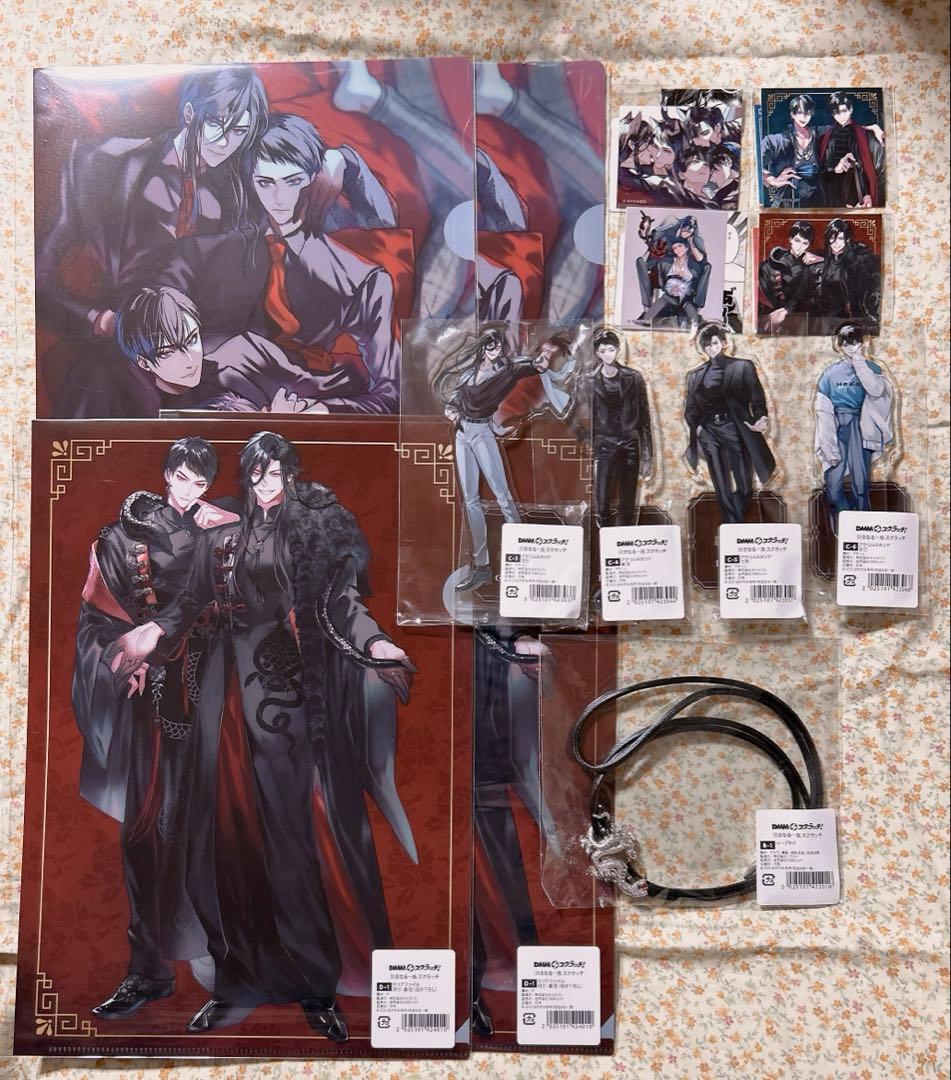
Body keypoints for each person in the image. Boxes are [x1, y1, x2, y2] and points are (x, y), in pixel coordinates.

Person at [108, 433, 417, 1038]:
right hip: (219, 700)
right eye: (256, 473)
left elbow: (344, 605)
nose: (266, 484)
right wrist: (151, 632)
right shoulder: (220, 537)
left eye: (277, 473)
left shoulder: (316, 531)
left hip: (285, 698)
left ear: (292, 475)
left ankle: (315, 985)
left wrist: (378, 642)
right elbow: (187, 604)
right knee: (218, 845)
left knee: (290, 844)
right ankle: (236, 982)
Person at [72, 438, 239, 1020]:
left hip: (224, 700)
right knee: (145, 835)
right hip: (155, 708)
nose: (191, 489)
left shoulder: (227, 530)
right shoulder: (121, 539)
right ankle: (148, 972)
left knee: (223, 833)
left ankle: (234, 972)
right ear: (168, 475)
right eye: (183, 477)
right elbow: (95, 621)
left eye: (201, 480)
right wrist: (124, 659)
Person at [36, 66, 269, 414]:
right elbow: (37, 273)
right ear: (189, 114)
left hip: (201, 360)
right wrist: (98, 320)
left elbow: (250, 295)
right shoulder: (105, 162)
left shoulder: (243, 197)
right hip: (115, 356)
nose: (225, 142)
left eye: (239, 131)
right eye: (216, 124)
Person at [153, 113, 401, 414]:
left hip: (308, 397)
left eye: (293, 181)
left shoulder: (360, 277)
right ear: (252, 182)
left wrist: (320, 412)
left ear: (315, 179)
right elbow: (154, 316)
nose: (280, 198)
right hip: (215, 396)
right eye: (265, 182)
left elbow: (390, 393)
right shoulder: (205, 252)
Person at [434, 326, 557, 592]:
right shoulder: (471, 372)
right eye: (490, 345)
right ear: (483, 347)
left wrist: (545, 357)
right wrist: (452, 412)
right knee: (470, 501)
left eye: (498, 345)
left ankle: (524, 552)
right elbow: (454, 399)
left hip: (482, 433)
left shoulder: (507, 370)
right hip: (462, 433)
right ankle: (481, 567)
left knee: (503, 495)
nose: (494, 349)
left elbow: (533, 367)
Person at [112, 285, 360, 416]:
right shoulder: (141, 412)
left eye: (192, 339)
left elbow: (347, 391)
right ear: (144, 362)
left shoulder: (245, 354)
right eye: (168, 352)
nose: (189, 359)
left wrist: (318, 411)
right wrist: (277, 428)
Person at [683, 323, 776, 524]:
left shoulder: (743, 366)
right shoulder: (695, 375)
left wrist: (761, 417)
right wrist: (698, 429)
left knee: (745, 486)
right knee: (721, 483)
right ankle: (732, 526)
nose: (711, 348)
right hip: (709, 431)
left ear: (724, 343)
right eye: (707, 345)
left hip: (736, 428)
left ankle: (735, 522)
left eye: (715, 343)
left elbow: (757, 398)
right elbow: (690, 409)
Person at [815, 323, 894, 521]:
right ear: (839, 346)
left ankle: (860, 523)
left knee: (860, 482)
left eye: (854, 342)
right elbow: (822, 410)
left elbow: (876, 390)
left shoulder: (872, 368)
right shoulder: (830, 373)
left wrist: (859, 361)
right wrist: (827, 444)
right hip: (835, 425)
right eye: (846, 343)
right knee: (833, 483)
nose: (850, 346)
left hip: (861, 426)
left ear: (862, 343)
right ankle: (844, 520)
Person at [582, 329, 653, 527]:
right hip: (604, 443)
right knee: (602, 498)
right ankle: (604, 532)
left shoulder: (634, 377)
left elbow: (645, 419)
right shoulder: (587, 380)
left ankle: (624, 535)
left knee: (628, 498)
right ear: (597, 353)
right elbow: (577, 415)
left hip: (630, 442)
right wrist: (587, 439)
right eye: (603, 351)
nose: (608, 354)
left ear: (618, 350)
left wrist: (648, 455)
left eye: (611, 349)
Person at [815, 217, 881, 335]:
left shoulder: (857, 259)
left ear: (847, 239)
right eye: (832, 238)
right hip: (825, 315)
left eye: (840, 238)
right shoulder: (824, 258)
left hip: (849, 314)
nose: (836, 243)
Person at [818, 92, 885, 208]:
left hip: (858, 194)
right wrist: (835, 169)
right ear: (832, 114)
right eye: (836, 112)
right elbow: (822, 170)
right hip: (832, 194)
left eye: (844, 111)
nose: (841, 116)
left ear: (851, 109)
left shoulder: (866, 135)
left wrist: (868, 193)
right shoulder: (826, 137)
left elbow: (878, 170)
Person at [757, 219, 824, 334]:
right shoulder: (773, 262)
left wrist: (819, 260)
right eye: (797, 241)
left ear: (808, 245)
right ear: (790, 239)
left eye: (805, 243)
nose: (799, 247)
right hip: (774, 314)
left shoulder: (813, 263)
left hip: (800, 316)